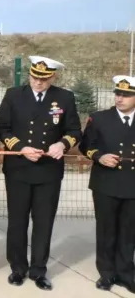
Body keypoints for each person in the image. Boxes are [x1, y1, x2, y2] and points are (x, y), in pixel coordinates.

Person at [0, 55, 81, 291]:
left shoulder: (64, 97)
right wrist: (21, 148)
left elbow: (74, 129)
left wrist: (62, 144)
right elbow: (2, 126)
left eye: (43, 79)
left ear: (53, 76)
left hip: (48, 171)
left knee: (43, 223)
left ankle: (39, 270)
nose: (37, 82)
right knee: (17, 221)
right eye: (34, 77)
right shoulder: (14, 95)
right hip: (19, 170)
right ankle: (17, 268)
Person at [79, 75, 135, 293]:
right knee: (106, 230)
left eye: (126, 95)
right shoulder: (99, 118)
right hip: (106, 183)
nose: (120, 99)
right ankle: (106, 274)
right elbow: (86, 145)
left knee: (129, 231)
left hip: (132, 184)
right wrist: (99, 156)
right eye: (117, 94)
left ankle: (126, 273)